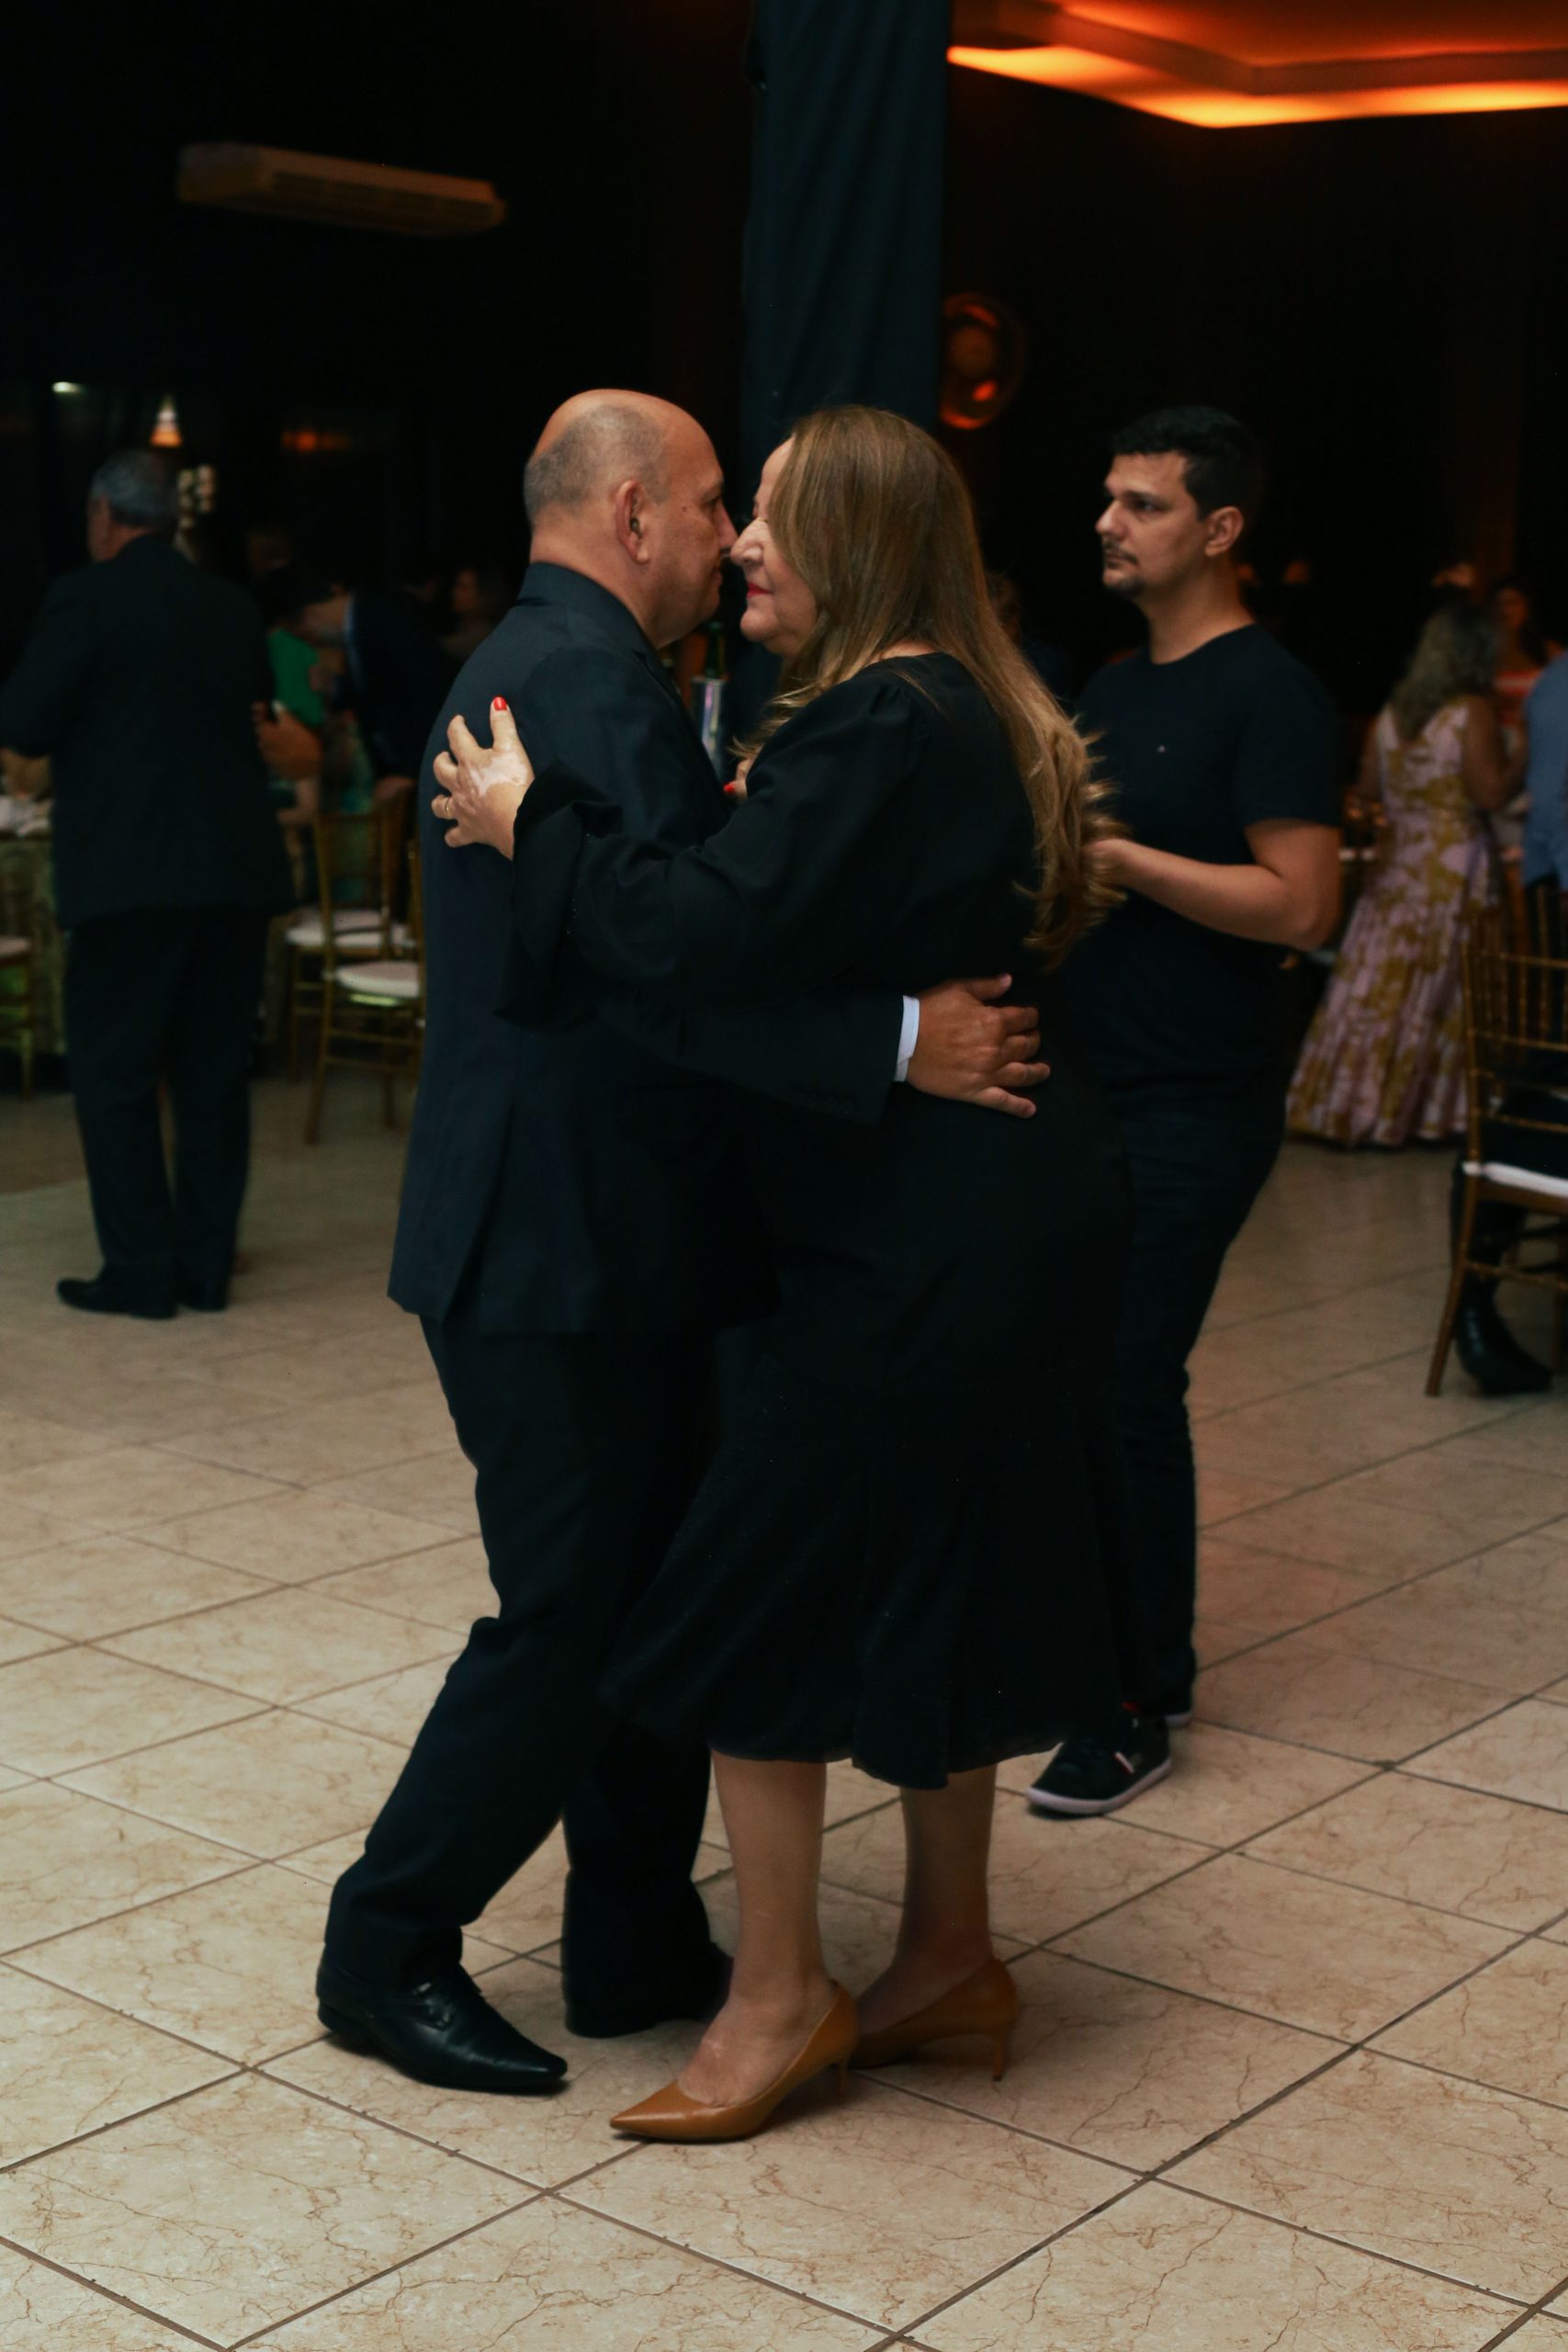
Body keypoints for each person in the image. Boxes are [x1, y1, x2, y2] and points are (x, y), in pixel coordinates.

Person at [316, 391, 1054, 2097]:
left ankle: (632, 1934)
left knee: (653, 1599)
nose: (731, 542)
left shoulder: (577, 667)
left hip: (593, 1228)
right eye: (715, 503)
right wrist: (895, 1045)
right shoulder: (572, 682)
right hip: (555, 1239)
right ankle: (384, 1944)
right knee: (573, 1616)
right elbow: (662, 977)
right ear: (632, 512)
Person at [1028, 406, 1341, 1817]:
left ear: (1218, 530)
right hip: (1084, 1082)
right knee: (1075, 1376)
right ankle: (1102, 1650)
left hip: (1196, 1099)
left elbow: (1300, 905)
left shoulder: (1267, 692)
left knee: (1125, 1376)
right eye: (1106, 497)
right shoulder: (1109, 683)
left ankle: (1136, 1700)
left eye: (1141, 503)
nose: (1107, 522)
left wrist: (1124, 859)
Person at [0, 452, 292, 1317]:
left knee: (116, 1076)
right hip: (234, 869)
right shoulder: (231, 605)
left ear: (103, 515)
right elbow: (250, 713)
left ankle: (140, 1271)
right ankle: (204, 1267)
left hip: (129, 872)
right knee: (213, 1079)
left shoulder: (85, 598)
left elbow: (23, 723)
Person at [1288, 605, 1521, 1149]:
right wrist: (1524, 755)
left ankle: (1349, 1104)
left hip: (1398, 863)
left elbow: (1368, 790)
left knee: (1377, 982)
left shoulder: (1393, 714)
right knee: (1444, 989)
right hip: (1453, 863)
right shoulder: (1471, 712)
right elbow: (1489, 792)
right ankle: (1425, 1114)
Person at [1440, 643, 1568, 1394]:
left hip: (1548, 896)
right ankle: (1474, 1301)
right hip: (1555, 903)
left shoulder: (1551, 683)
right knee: (1534, 1076)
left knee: (1527, 1082)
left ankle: (1474, 1295)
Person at [286, 571, 453, 807]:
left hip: (425, 767)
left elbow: (428, 691)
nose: (316, 643)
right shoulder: (356, 630)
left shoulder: (385, 614)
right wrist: (335, 686)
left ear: (310, 614)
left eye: (309, 635)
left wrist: (409, 770)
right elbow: (376, 688)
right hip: (400, 769)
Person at [442, 561, 512, 663]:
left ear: (482, 596)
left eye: (463, 587)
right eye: (456, 585)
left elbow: (449, 648)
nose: (455, 592)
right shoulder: (464, 629)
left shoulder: (484, 637)